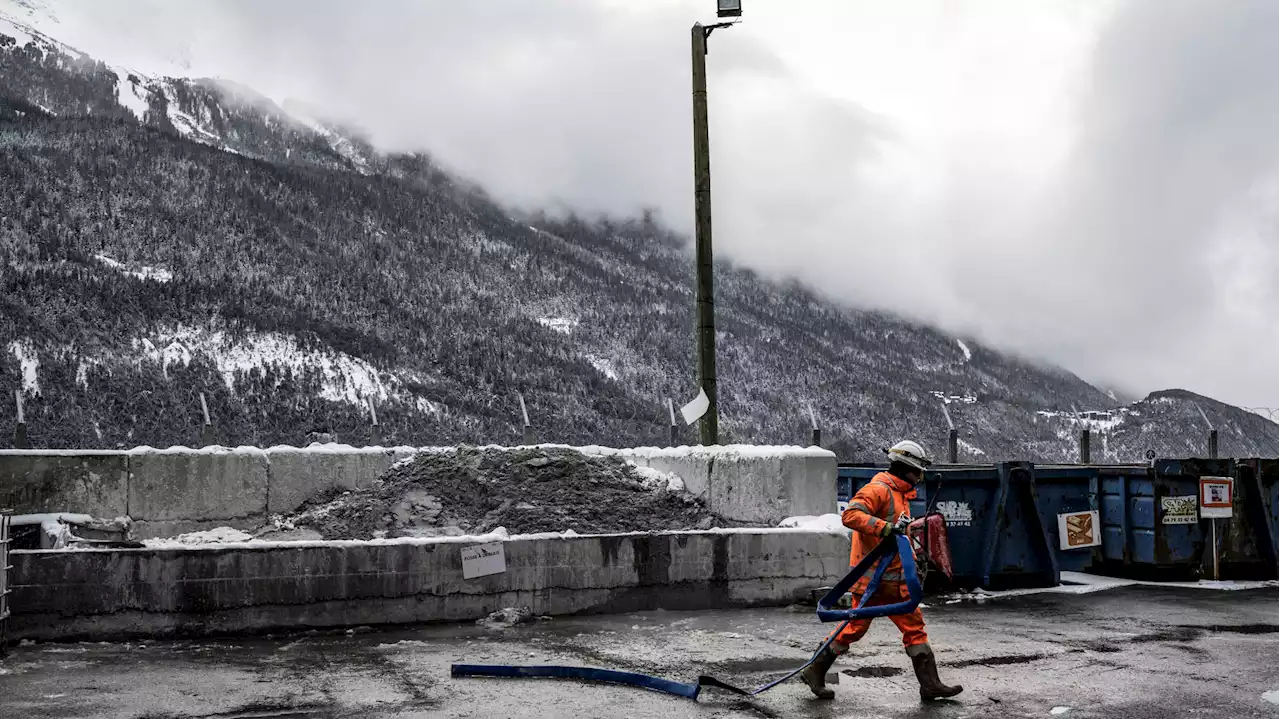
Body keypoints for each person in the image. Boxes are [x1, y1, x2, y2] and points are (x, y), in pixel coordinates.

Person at [799, 440, 963, 701]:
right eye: (917, 471)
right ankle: (815, 669)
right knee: (855, 628)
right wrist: (884, 528)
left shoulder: (900, 494)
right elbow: (850, 515)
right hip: (873, 581)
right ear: (903, 468)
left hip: (894, 581)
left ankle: (930, 685)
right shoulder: (878, 490)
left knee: (914, 628)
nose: (920, 477)